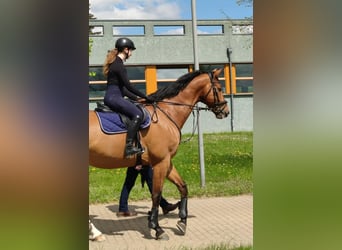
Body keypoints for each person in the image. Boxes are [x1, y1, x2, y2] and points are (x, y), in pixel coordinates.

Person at [103, 37, 153, 157]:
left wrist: (137, 99)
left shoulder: (116, 64)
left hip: (114, 95)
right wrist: (146, 96)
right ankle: (129, 147)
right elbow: (128, 86)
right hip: (114, 97)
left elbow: (123, 89)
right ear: (126, 50)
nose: (131, 53)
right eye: (131, 50)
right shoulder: (118, 65)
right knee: (138, 114)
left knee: (136, 109)